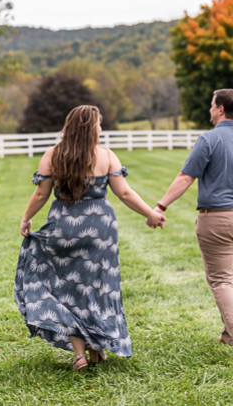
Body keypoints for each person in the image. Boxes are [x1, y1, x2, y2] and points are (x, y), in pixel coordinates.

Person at [15, 105, 166, 372]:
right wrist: (151, 214)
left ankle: (80, 355)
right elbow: (125, 194)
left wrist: (26, 218)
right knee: (98, 286)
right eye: (99, 124)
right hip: (100, 232)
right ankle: (97, 347)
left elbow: (41, 195)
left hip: (63, 229)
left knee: (67, 290)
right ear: (90, 128)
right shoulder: (106, 155)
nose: (100, 128)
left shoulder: (52, 155)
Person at [153, 88, 233, 365]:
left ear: (220, 109)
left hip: (218, 219)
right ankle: (230, 335)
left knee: (220, 281)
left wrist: (161, 206)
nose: (209, 109)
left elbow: (185, 177)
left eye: (211, 105)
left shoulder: (209, 139)